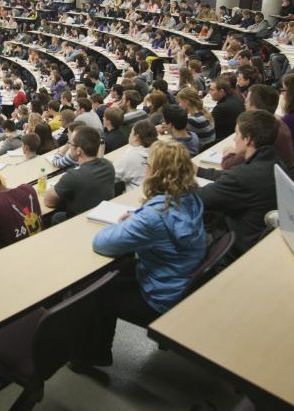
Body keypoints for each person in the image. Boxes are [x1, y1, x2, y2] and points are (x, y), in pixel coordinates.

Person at [78, 140, 206, 367]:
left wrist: (132, 222)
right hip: (179, 280)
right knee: (117, 269)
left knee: (96, 291)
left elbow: (102, 242)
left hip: (160, 296)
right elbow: (159, 217)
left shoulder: (154, 217)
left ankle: (95, 355)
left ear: (155, 172)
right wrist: (139, 216)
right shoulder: (191, 197)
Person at [198, 110, 285, 254]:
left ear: (248, 139)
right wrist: (199, 171)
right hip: (255, 234)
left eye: (236, 133)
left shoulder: (244, 176)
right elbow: (230, 177)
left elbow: (201, 197)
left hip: (234, 245)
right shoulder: (274, 160)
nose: (234, 139)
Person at [44, 126, 116, 222]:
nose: (69, 145)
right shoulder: (108, 165)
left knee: (56, 217)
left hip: (82, 220)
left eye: (70, 143)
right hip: (102, 215)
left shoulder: (73, 176)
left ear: (78, 151)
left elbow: (48, 201)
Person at [114, 119, 157, 192]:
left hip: (135, 197)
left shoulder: (130, 157)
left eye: (131, 132)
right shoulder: (157, 150)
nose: (129, 135)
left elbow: (109, 176)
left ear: (136, 137)